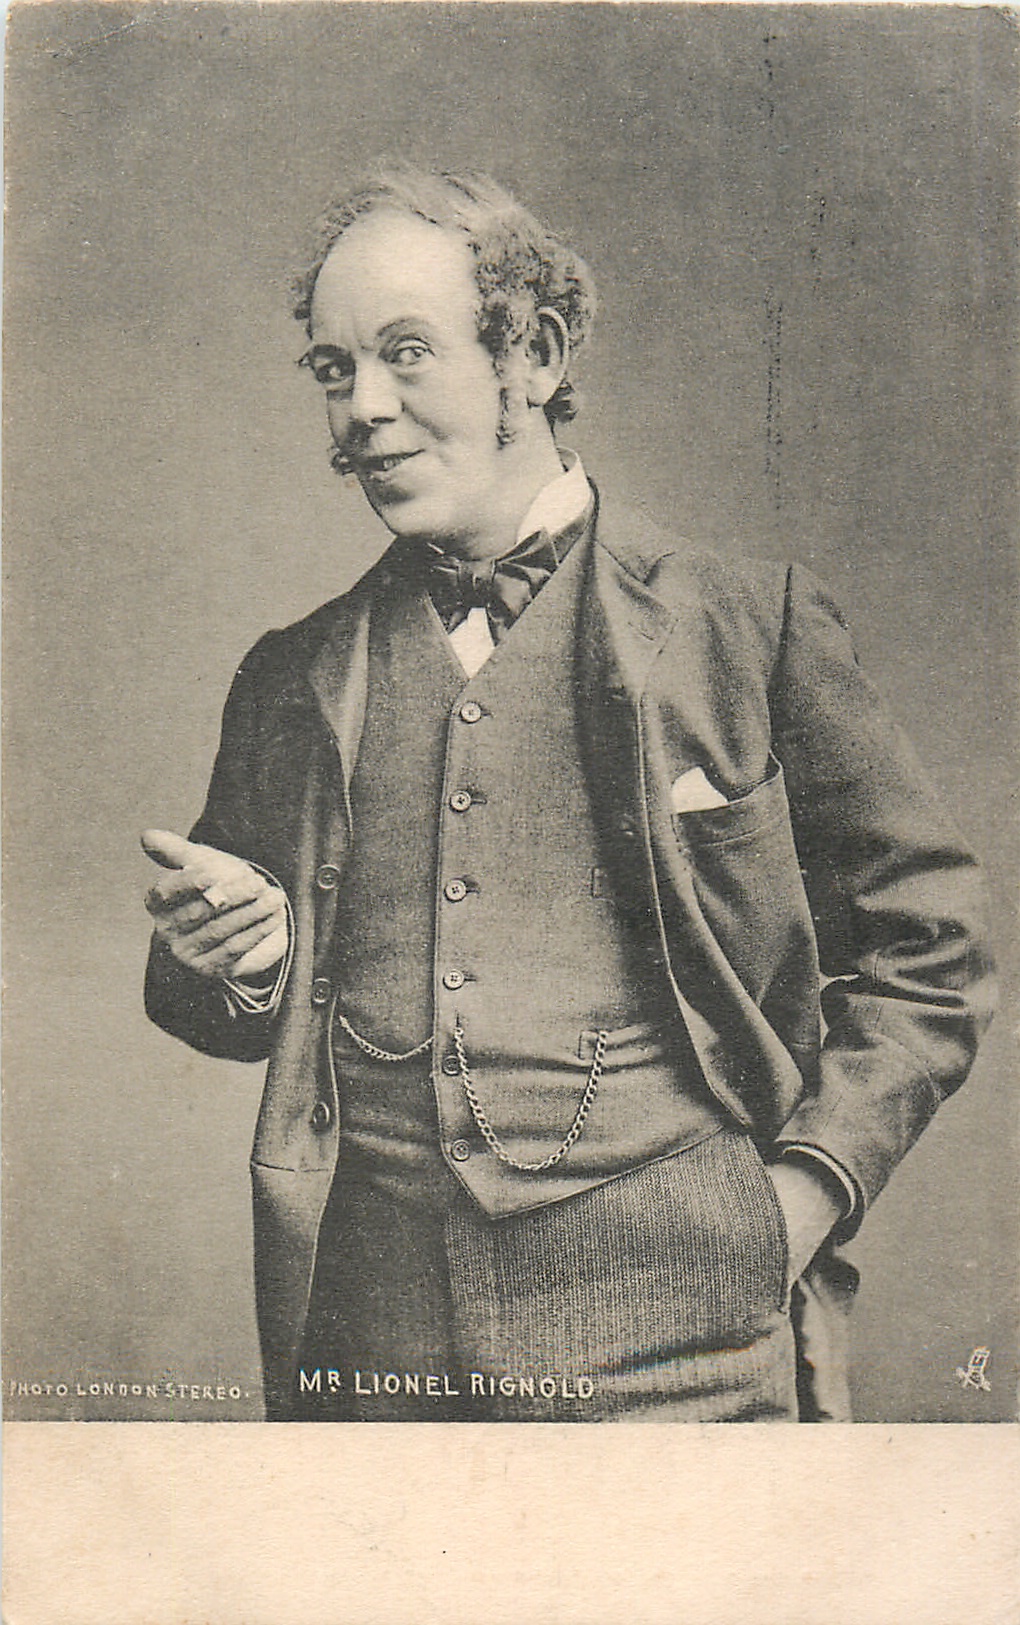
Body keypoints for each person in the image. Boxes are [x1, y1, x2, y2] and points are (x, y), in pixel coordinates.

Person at [143, 165, 995, 1423]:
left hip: (686, 1349)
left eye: (406, 352)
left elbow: (935, 948)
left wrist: (803, 1195)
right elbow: (208, 1006)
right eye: (334, 368)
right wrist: (244, 957)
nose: (362, 407)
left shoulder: (742, 625)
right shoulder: (291, 675)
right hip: (371, 1355)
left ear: (531, 355)